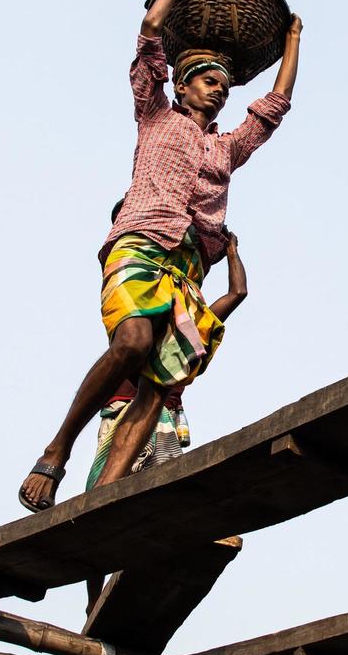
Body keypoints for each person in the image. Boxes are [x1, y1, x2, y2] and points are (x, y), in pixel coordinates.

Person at [18, 0, 301, 513]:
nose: (218, 93)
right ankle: (56, 451)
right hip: (141, 242)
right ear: (182, 83)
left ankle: (100, 502)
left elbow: (275, 107)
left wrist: (291, 40)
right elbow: (149, 36)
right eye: (208, 82)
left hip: (190, 270)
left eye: (224, 86)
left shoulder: (227, 149)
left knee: (158, 384)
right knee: (132, 345)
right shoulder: (155, 115)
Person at [82, 226, 249, 609]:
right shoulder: (136, 311)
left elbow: (237, 294)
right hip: (123, 419)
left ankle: (141, 578)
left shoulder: (188, 320)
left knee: (162, 499)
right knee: (99, 502)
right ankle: (94, 600)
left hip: (166, 423)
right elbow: (117, 266)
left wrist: (232, 250)